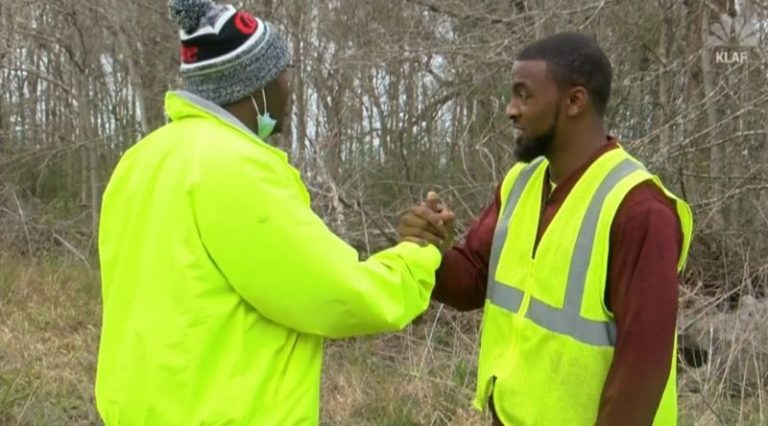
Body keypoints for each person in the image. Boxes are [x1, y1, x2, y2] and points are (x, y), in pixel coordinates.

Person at [95, 0, 446, 423]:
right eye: (284, 73)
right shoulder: (234, 167)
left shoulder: (142, 158)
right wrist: (417, 254)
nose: (288, 89)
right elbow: (337, 294)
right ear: (257, 84)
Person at [399, 32, 693, 425]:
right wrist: (430, 250)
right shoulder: (521, 182)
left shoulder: (639, 209)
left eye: (524, 95)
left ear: (574, 101)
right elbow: (473, 280)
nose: (510, 110)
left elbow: (642, 371)